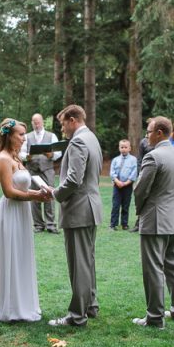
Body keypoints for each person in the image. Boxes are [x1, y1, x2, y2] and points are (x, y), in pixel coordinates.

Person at [0, 119, 52, 322]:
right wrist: (35, 197)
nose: (24, 138)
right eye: (20, 134)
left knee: (22, 255)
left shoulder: (16, 158)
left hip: (22, 211)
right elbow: (9, 192)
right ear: (9, 136)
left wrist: (39, 193)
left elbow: (22, 188)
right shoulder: (3, 159)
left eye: (24, 134)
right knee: (11, 255)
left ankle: (22, 303)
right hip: (10, 213)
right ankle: (7, 306)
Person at [45, 105, 103, 327]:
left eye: (62, 124)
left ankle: (77, 315)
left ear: (72, 120)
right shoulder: (92, 138)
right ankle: (91, 305)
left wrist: (55, 193)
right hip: (91, 206)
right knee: (87, 259)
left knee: (79, 262)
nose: (62, 129)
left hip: (79, 208)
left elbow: (74, 180)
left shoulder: (78, 141)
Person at [132, 116, 174, 329]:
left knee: (153, 268)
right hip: (173, 217)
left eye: (149, 131)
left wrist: (140, 211)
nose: (147, 136)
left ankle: (155, 317)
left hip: (154, 219)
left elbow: (140, 189)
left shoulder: (153, 157)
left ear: (159, 133)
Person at [20, 113, 62, 234]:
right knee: (34, 197)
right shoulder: (27, 137)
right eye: (34, 122)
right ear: (32, 123)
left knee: (50, 194)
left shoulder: (51, 136)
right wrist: (26, 157)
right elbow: (20, 153)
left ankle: (51, 225)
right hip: (32, 170)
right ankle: (38, 225)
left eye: (38, 122)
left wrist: (52, 155)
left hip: (47, 170)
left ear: (42, 122)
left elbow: (58, 153)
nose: (36, 124)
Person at [130, 125, 155, 234]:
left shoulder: (158, 142)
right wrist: (140, 173)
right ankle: (138, 223)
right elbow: (139, 159)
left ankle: (150, 223)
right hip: (144, 173)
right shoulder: (143, 142)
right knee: (141, 197)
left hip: (156, 173)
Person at [109, 139, 138, 231]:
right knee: (115, 205)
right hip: (117, 186)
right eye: (122, 147)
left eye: (126, 147)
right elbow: (112, 172)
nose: (124, 149)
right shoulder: (115, 160)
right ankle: (113, 224)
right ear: (119, 148)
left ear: (129, 148)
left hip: (127, 186)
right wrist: (117, 181)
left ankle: (124, 224)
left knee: (126, 205)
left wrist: (126, 183)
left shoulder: (133, 160)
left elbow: (134, 173)